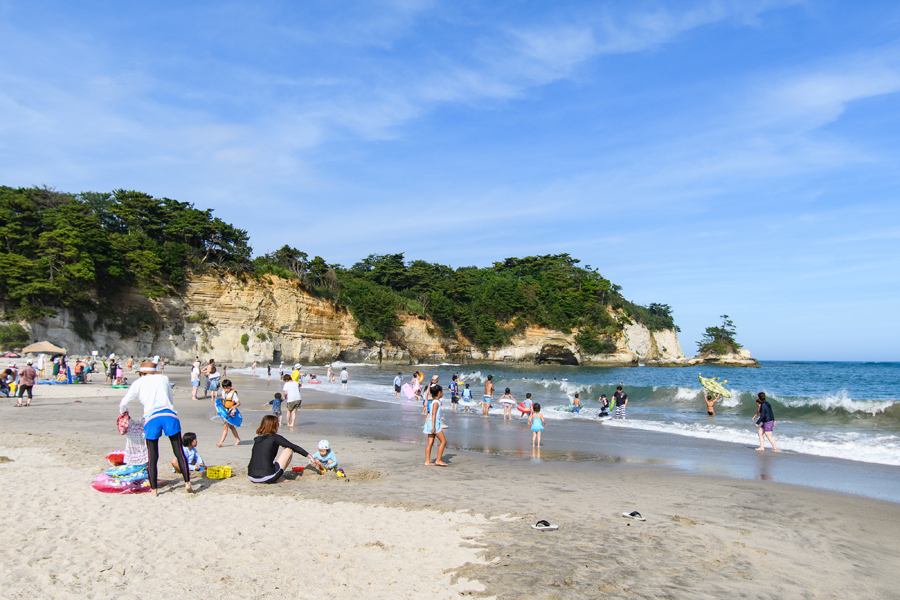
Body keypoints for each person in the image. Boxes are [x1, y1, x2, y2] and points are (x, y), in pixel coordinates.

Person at [118, 362, 192, 496]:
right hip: (169, 415)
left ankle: (154, 490)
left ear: (141, 372)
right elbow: (170, 399)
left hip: (152, 418)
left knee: (152, 456)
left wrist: (124, 413)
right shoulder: (164, 378)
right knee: (178, 451)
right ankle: (187, 483)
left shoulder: (138, 382)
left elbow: (124, 402)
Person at [248, 415, 318, 484]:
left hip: (251, 476)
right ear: (274, 425)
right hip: (267, 477)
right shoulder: (275, 437)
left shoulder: (257, 439)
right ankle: (279, 478)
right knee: (289, 450)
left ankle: (276, 476)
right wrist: (309, 456)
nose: (278, 425)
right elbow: (293, 447)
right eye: (277, 423)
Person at [424, 384, 447, 466]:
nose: (442, 393)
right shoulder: (436, 402)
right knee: (444, 441)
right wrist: (433, 426)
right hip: (434, 423)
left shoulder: (434, 401)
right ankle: (438, 460)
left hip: (430, 422)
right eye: (442, 392)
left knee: (430, 442)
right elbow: (433, 414)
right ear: (439, 393)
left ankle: (427, 461)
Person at [215, 379, 242, 447]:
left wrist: (234, 407)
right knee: (231, 426)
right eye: (225, 388)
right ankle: (237, 439)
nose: (226, 390)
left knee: (226, 426)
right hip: (225, 411)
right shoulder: (223, 392)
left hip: (231, 412)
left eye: (228, 388)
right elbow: (222, 401)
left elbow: (238, 403)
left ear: (231, 386)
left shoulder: (233, 394)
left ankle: (221, 442)